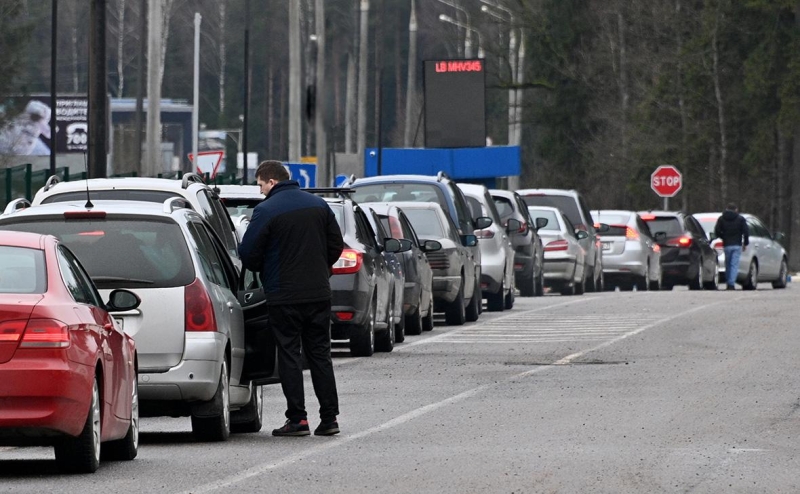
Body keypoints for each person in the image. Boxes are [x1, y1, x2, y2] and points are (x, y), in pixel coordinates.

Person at [238, 160, 344, 437]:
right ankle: (329, 418)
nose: (260, 191)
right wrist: (319, 268)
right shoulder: (319, 206)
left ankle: (298, 419)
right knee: (320, 354)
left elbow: (248, 254)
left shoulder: (266, 210)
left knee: (289, 355)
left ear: (271, 181)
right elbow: (335, 245)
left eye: (260, 184)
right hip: (318, 292)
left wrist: (268, 270)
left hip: (283, 295)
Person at [714, 202, 749, 290]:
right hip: (737, 244)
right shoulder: (740, 219)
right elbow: (746, 231)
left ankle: (728, 281)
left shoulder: (722, 219)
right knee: (734, 264)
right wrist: (745, 243)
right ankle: (731, 283)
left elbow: (717, 231)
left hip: (727, 244)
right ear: (736, 209)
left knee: (728, 264)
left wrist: (723, 237)